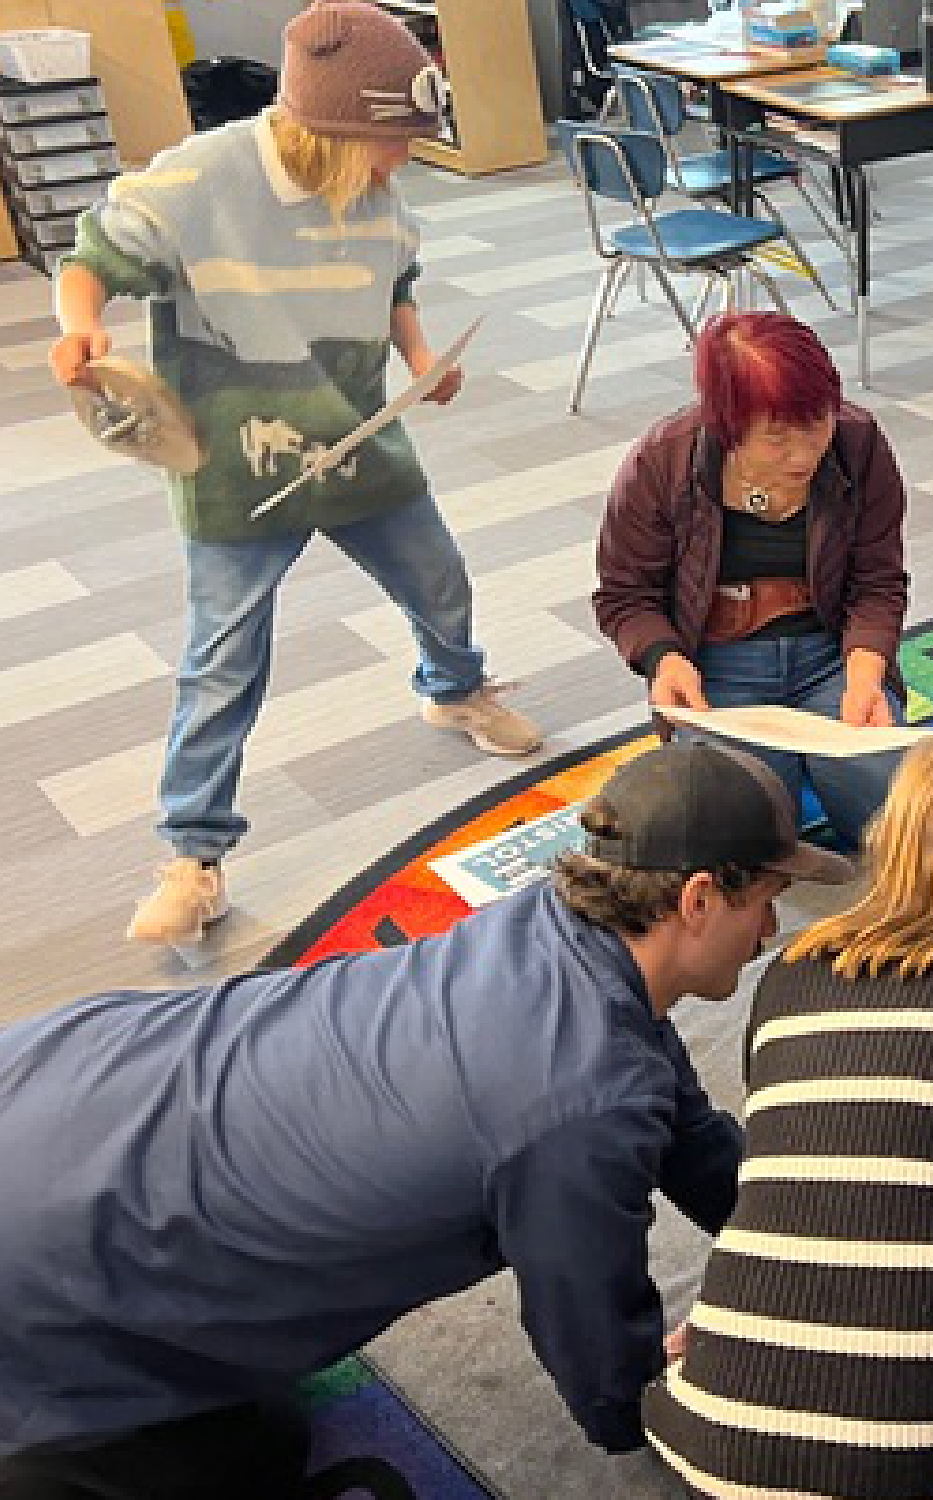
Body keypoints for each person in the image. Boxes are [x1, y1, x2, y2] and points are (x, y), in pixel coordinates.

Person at [0, 739, 853, 1499]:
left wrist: (807, 1244)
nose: (773, 930)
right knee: (250, 1450)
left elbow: (690, 1136)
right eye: (766, 899)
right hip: (55, 1265)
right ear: (700, 898)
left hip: (60, 1073)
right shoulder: (582, 1101)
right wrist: (649, 1410)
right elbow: (593, 1341)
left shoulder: (553, 926)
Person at [48, 0, 542, 949]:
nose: (405, 161)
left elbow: (394, 283)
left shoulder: (377, 192)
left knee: (439, 580)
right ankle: (193, 854)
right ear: (337, 127)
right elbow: (92, 256)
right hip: (235, 464)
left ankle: (453, 689)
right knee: (223, 657)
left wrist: (421, 356)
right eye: (394, 142)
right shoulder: (203, 178)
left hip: (356, 438)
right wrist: (81, 323)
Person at [642, 733, 933, 1500]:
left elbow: (799, 1160)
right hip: (917, 1467)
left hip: (709, 1437)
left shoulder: (790, 971)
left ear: (892, 832)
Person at [594, 310, 910, 851]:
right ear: (727, 425)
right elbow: (625, 596)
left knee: (897, 815)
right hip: (717, 668)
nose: (803, 454)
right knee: (742, 832)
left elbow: (878, 581)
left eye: (815, 424)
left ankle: (825, 761)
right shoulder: (663, 459)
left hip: (830, 654)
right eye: (776, 438)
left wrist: (865, 675)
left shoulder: (858, 443)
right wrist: (664, 660)